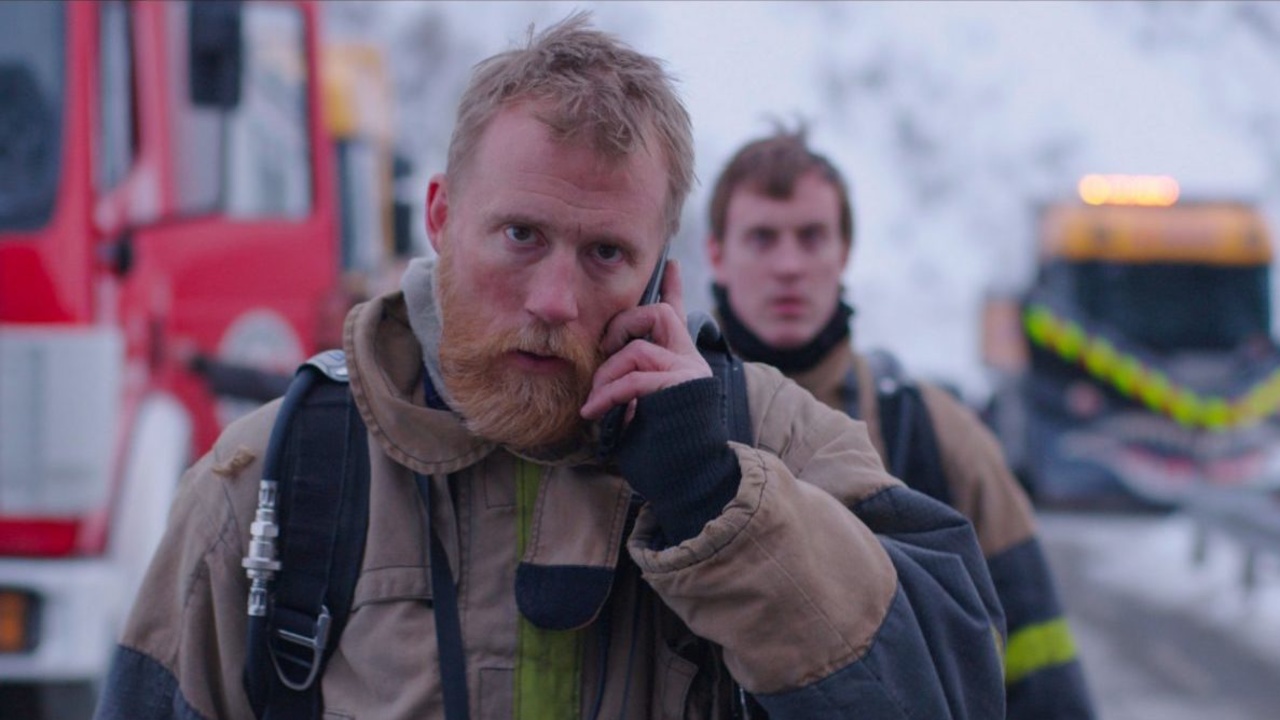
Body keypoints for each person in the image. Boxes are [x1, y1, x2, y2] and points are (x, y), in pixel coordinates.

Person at [96, 15, 1007, 720]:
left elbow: (952, 685)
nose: (555, 300)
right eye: (521, 234)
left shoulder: (771, 439)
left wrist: (719, 504)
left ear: (661, 271)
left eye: (606, 253)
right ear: (443, 217)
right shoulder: (272, 479)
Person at [705, 127, 1097, 719]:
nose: (789, 265)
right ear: (717, 255)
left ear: (844, 253)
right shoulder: (668, 425)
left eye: (812, 237)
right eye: (762, 238)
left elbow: (1039, 661)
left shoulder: (937, 434)